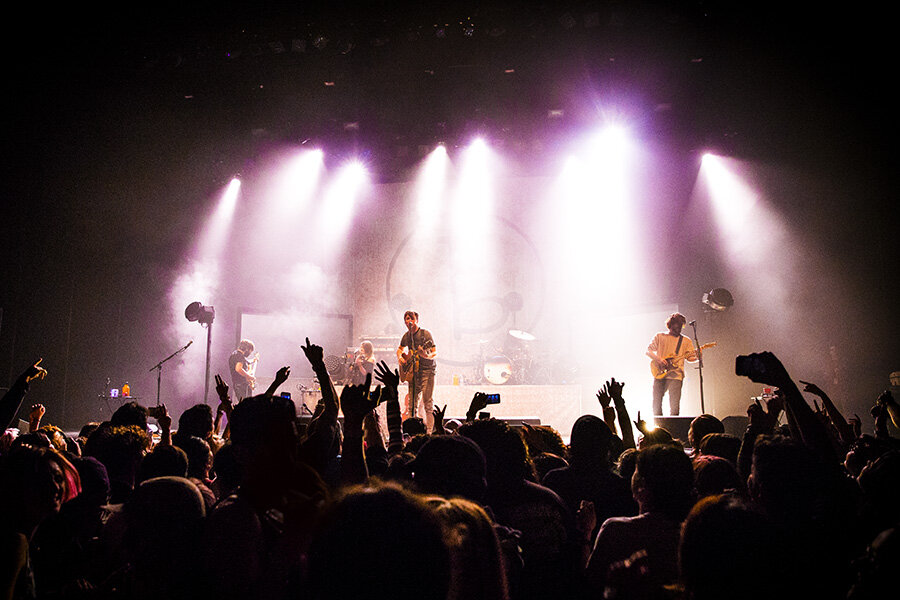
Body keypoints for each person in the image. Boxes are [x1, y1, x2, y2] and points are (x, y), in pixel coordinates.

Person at [646, 313, 699, 416]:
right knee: (656, 403)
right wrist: (659, 360)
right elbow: (649, 351)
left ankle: (673, 428)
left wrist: (698, 357)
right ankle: (658, 428)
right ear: (670, 325)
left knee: (674, 406)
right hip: (660, 373)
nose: (678, 329)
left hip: (676, 376)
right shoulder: (660, 336)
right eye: (676, 326)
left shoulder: (686, 341)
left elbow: (690, 358)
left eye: (680, 327)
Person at [396, 311, 437, 432]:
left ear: (416, 320)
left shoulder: (425, 334)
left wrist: (425, 355)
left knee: (427, 403)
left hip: (427, 371)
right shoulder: (406, 336)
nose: (409, 321)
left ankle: (429, 432)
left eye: (411, 319)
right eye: (406, 319)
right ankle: (411, 432)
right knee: (411, 404)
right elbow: (400, 349)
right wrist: (400, 358)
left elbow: (434, 352)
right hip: (413, 372)